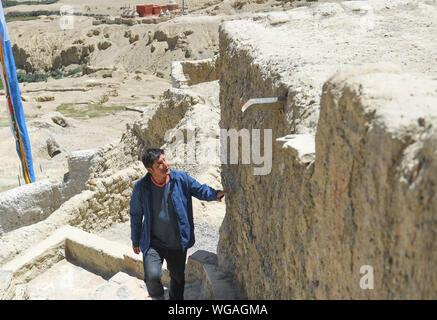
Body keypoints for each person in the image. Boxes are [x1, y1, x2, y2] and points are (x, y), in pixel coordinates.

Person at [129, 148, 229, 300]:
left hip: (176, 242)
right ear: (150, 170)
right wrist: (135, 239)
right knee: (152, 277)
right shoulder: (141, 187)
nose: (165, 165)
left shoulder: (181, 178)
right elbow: (136, 214)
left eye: (164, 160)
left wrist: (215, 194)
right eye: (159, 164)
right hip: (153, 242)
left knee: (177, 278)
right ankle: (158, 297)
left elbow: (199, 189)